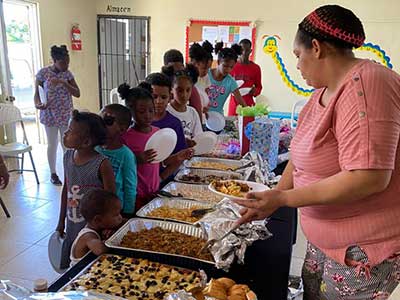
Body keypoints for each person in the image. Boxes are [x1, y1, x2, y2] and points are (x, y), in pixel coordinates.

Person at [235, 5, 400, 299]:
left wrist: (285, 198)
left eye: (298, 56)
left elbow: (369, 177)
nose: (298, 66)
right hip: (323, 240)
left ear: (316, 48)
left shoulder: (369, 83)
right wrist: (272, 197)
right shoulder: (321, 93)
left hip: (361, 250)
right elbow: (298, 158)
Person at [56, 110, 116, 269]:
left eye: (70, 132)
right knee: (73, 258)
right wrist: (61, 220)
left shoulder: (102, 164)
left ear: (86, 142)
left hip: (94, 226)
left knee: (89, 265)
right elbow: (66, 190)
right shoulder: (67, 157)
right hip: (72, 222)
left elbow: (111, 199)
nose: (65, 134)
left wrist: (109, 226)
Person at [120, 84, 192, 210]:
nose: (147, 115)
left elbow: (161, 160)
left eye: (151, 110)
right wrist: (136, 159)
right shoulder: (126, 137)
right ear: (130, 112)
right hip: (135, 195)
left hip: (154, 191)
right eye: (141, 112)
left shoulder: (158, 132)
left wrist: (177, 157)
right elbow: (120, 165)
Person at [34, 45, 80, 185]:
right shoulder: (42, 74)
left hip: (65, 114)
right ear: (54, 61)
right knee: (52, 144)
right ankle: (53, 173)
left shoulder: (68, 75)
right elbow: (37, 94)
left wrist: (63, 82)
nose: (66, 65)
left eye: (68, 62)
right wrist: (38, 104)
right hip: (49, 115)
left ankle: (69, 172)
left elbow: (77, 93)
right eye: (63, 62)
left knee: (67, 144)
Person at [96, 104, 137, 216]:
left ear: (122, 128)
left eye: (108, 121)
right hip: (95, 209)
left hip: (114, 212)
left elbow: (130, 187)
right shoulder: (94, 149)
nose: (101, 125)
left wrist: (127, 214)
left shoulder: (126, 155)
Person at [69, 189, 122, 266]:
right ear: (98, 220)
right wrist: (110, 241)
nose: (120, 217)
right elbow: (100, 250)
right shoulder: (88, 236)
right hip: (77, 273)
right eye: (116, 215)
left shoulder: (99, 226)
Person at [162, 64, 203, 144]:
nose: (184, 95)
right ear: (171, 90)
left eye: (188, 90)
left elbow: (198, 137)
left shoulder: (193, 113)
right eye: (179, 90)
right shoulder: (166, 111)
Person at [163, 49, 203, 122]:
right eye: (173, 70)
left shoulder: (190, 88)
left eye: (179, 70)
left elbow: (198, 116)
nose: (177, 73)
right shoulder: (160, 87)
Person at [207, 43, 247, 115]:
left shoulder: (231, 82)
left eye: (231, 67)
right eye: (225, 66)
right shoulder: (206, 74)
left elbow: (242, 103)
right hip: (201, 115)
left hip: (218, 118)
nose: (228, 70)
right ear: (219, 62)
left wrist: (251, 112)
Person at [228, 39, 263, 116]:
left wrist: (255, 91)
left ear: (250, 51)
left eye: (247, 50)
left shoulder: (256, 68)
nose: (244, 53)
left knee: (248, 126)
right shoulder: (232, 66)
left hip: (249, 106)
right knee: (233, 127)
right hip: (234, 107)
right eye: (242, 50)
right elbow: (226, 85)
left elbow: (259, 87)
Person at [189, 41, 214, 110]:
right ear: (194, 64)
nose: (206, 72)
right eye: (204, 68)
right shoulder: (188, 79)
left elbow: (207, 92)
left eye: (208, 68)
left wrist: (207, 104)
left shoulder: (206, 77)